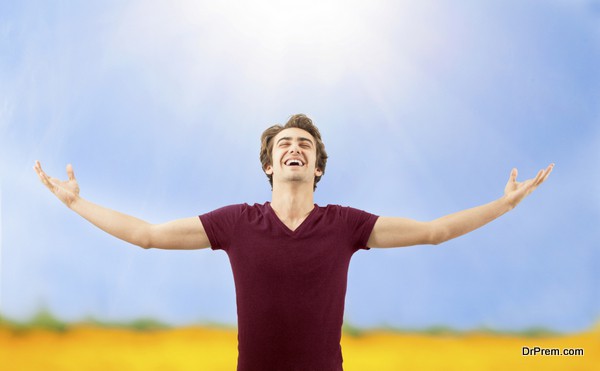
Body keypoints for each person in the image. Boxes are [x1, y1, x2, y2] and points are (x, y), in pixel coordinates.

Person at [34, 114, 554, 371]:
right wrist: (77, 204)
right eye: (284, 144)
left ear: (318, 167)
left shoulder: (347, 224)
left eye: (305, 145)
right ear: (269, 165)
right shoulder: (236, 222)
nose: (294, 149)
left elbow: (435, 232)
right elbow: (147, 236)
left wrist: (504, 204)